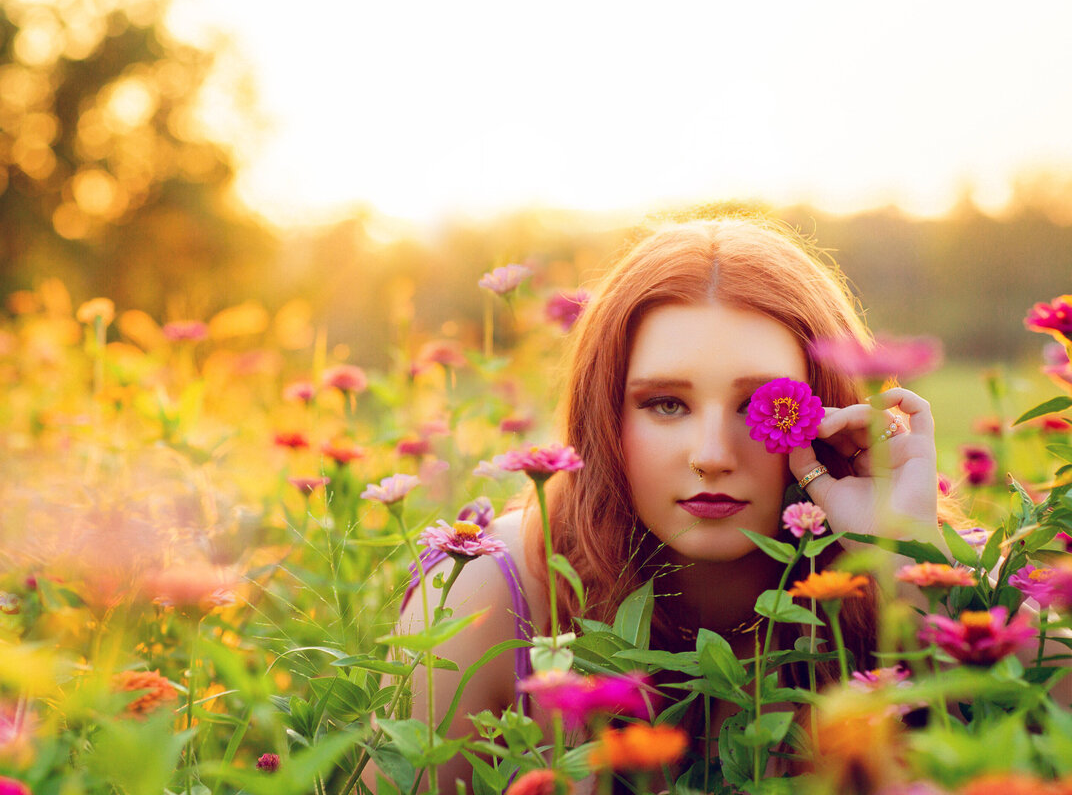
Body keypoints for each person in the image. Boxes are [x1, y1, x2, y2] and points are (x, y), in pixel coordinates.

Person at [391, 216, 941, 793]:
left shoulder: (990, 608)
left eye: (758, 403)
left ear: (828, 411)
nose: (710, 456)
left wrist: (905, 565)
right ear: (604, 417)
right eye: (666, 404)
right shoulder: (486, 594)